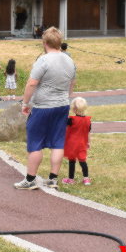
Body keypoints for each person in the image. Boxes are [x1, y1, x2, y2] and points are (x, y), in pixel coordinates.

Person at [15, 27, 76, 190]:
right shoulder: (69, 60)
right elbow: (72, 83)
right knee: (57, 143)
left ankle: (30, 179)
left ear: (45, 43)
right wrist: (66, 96)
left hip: (43, 107)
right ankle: (52, 179)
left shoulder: (43, 60)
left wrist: (25, 103)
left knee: (35, 143)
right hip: (62, 105)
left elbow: (32, 83)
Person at [61, 97, 91, 186]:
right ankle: (86, 179)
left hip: (72, 143)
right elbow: (88, 132)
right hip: (82, 143)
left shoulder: (71, 120)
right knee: (83, 161)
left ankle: (71, 179)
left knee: (72, 161)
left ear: (73, 109)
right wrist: (88, 142)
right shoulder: (88, 120)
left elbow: (63, 124)